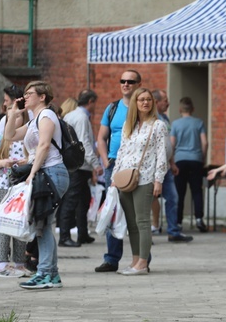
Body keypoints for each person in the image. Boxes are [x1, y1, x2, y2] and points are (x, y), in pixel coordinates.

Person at [6, 81, 70, 290]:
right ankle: (50, 274)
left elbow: (44, 145)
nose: (25, 96)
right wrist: (14, 113)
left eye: (30, 93)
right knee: (42, 225)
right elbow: (10, 136)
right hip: (45, 173)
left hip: (51, 172)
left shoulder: (47, 116)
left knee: (43, 225)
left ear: (42, 97)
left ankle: (45, 273)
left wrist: (32, 173)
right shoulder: (34, 119)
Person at [111, 88, 167, 275]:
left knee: (143, 221)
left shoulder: (158, 125)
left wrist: (158, 180)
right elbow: (121, 153)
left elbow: (162, 154)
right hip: (125, 178)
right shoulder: (130, 125)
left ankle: (143, 263)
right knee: (131, 223)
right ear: (135, 103)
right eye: (141, 100)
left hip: (145, 178)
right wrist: (114, 178)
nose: (145, 103)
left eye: (148, 100)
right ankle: (135, 260)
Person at [94, 70, 141, 272]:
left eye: (130, 81)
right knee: (113, 209)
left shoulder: (143, 107)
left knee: (138, 213)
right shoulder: (112, 108)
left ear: (138, 84)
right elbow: (101, 137)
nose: (126, 84)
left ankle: (142, 258)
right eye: (122, 81)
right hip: (113, 164)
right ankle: (112, 259)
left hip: (136, 165)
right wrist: (105, 160)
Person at [0, 107, 30, 278]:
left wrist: (26, 161)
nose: (14, 119)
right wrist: (4, 162)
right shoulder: (0, 137)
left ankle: (19, 263)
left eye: (18, 116)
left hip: (22, 186)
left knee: (20, 223)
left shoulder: (27, 137)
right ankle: (2, 264)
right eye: (11, 117)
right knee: (4, 224)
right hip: (4, 184)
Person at [58, 90, 103, 247]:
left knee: (82, 200)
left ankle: (82, 233)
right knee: (72, 200)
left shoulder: (70, 115)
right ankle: (64, 236)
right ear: (90, 101)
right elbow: (85, 142)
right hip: (78, 165)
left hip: (75, 163)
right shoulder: (82, 117)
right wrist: (96, 165)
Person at [151, 89, 193, 243]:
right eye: (165, 100)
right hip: (154, 167)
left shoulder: (165, 118)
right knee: (149, 198)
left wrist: (172, 162)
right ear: (156, 102)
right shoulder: (151, 119)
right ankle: (145, 233)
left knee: (173, 198)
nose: (168, 103)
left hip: (167, 167)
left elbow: (168, 143)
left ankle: (173, 231)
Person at [170, 97, 208, 233]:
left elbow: (172, 144)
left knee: (179, 192)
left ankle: (178, 222)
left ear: (180, 109)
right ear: (192, 109)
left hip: (180, 160)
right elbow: (204, 143)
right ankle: (199, 219)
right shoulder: (199, 123)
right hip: (196, 160)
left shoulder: (175, 124)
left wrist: (172, 160)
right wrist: (202, 158)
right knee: (197, 191)